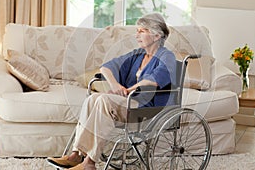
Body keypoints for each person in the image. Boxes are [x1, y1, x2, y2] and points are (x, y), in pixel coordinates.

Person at [47, 13, 176, 170]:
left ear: (156, 35)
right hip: (129, 102)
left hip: (147, 107)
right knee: (92, 99)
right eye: (137, 30)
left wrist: (128, 89)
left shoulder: (167, 56)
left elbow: (154, 80)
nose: (137, 35)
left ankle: (89, 163)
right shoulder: (137, 55)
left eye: (142, 31)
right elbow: (107, 67)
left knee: (103, 100)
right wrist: (115, 85)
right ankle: (76, 154)